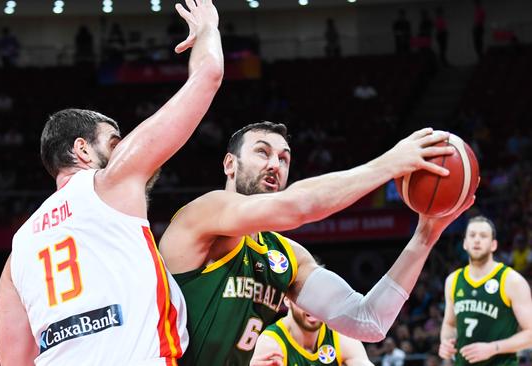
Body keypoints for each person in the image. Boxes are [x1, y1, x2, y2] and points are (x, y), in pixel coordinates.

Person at [0, 0, 223, 364]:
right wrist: (208, 27)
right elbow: (208, 75)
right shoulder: (110, 183)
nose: (123, 152)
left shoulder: (17, 252)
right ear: (83, 150)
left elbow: (13, 360)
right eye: (115, 143)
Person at [159, 122, 473, 365]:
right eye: (262, 152)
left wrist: (426, 235)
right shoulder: (205, 212)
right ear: (230, 164)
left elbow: (369, 321)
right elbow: (296, 207)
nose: (275, 165)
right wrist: (389, 164)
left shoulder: (285, 256)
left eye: (284, 158)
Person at [438, 216, 532, 365]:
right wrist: (446, 343)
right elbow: (450, 324)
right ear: (464, 243)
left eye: (483, 236)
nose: (477, 240)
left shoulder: (511, 280)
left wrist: (493, 348)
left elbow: (530, 335)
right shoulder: (453, 280)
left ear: (494, 245)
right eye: (472, 235)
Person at [251, 297, 373, 366]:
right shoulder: (271, 343)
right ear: (287, 299)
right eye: (305, 297)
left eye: (319, 298)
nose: (313, 306)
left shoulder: (340, 335)